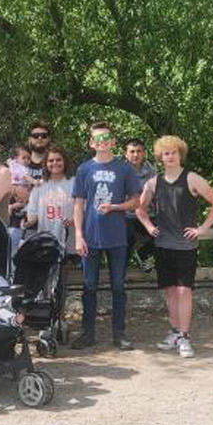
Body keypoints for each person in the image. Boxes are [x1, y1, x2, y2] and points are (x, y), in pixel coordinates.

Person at [136, 135, 213, 358]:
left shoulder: (192, 178)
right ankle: (175, 332)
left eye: (174, 152)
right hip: (163, 245)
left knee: (184, 291)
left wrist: (202, 228)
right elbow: (139, 209)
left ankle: (185, 337)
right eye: (166, 153)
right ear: (160, 157)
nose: (170, 156)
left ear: (180, 154)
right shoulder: (153, 183)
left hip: (186, 246)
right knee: (170, 292)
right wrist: (149, 226)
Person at [71, 122, 143, 351]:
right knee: (89, 286)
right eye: (97, 139)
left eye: (106, 138)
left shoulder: (124, 169)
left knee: (118, 286)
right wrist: (78, 235)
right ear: (91, 143)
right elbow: (78, 204)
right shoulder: (84, 169)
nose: (102, 142)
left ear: (113, 142)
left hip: (117, 236)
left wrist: (115, 207)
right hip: (90, 237)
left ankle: (119, 334)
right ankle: (88, 333)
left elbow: (136, 201)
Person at [23, 144, 74, 246]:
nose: (55, 163)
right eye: (51, 160)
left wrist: (73, 220)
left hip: (70, 241)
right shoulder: (39, 185)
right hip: (45, 242)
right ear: (45, 164)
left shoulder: (75, 183)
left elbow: (83, 209)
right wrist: (28, 222)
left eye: (58, 160)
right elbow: (32, 212)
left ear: (65, 161)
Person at [123, 138, 157, 274]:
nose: (135, 155)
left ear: (143, 153)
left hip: (148, 213)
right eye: (132, 151)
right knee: (127, 238)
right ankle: (121, 272)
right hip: (127, 214)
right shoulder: (120, 171)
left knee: (164, 231)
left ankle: (144, 252)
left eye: (139, 151)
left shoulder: (152, 171)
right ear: (126, 154)